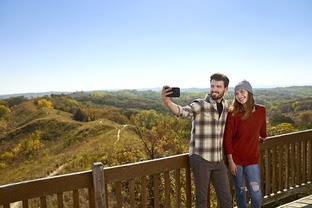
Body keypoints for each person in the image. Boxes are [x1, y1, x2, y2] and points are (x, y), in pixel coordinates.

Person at [161, 73, 232, 208]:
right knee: (201, 200)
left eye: (218, 86)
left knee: (226, 199)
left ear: (226, 89)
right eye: (212, 86)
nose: (214, 89)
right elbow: (182, 112)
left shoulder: (226, 105)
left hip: (218, 160)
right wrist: (168, 102)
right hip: (201, 158)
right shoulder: (200, 104)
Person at [223, 80, 267, 208]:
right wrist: (231, 161)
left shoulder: (261, 110)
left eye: (242, 91)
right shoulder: (233, 114)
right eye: (236, 93)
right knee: (240, 192)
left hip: (251, 159)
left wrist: (263, 137)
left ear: (249, 92)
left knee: (256, 195)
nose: (239, 95)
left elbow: (263, 130)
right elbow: (227, 139)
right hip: (236, 161)